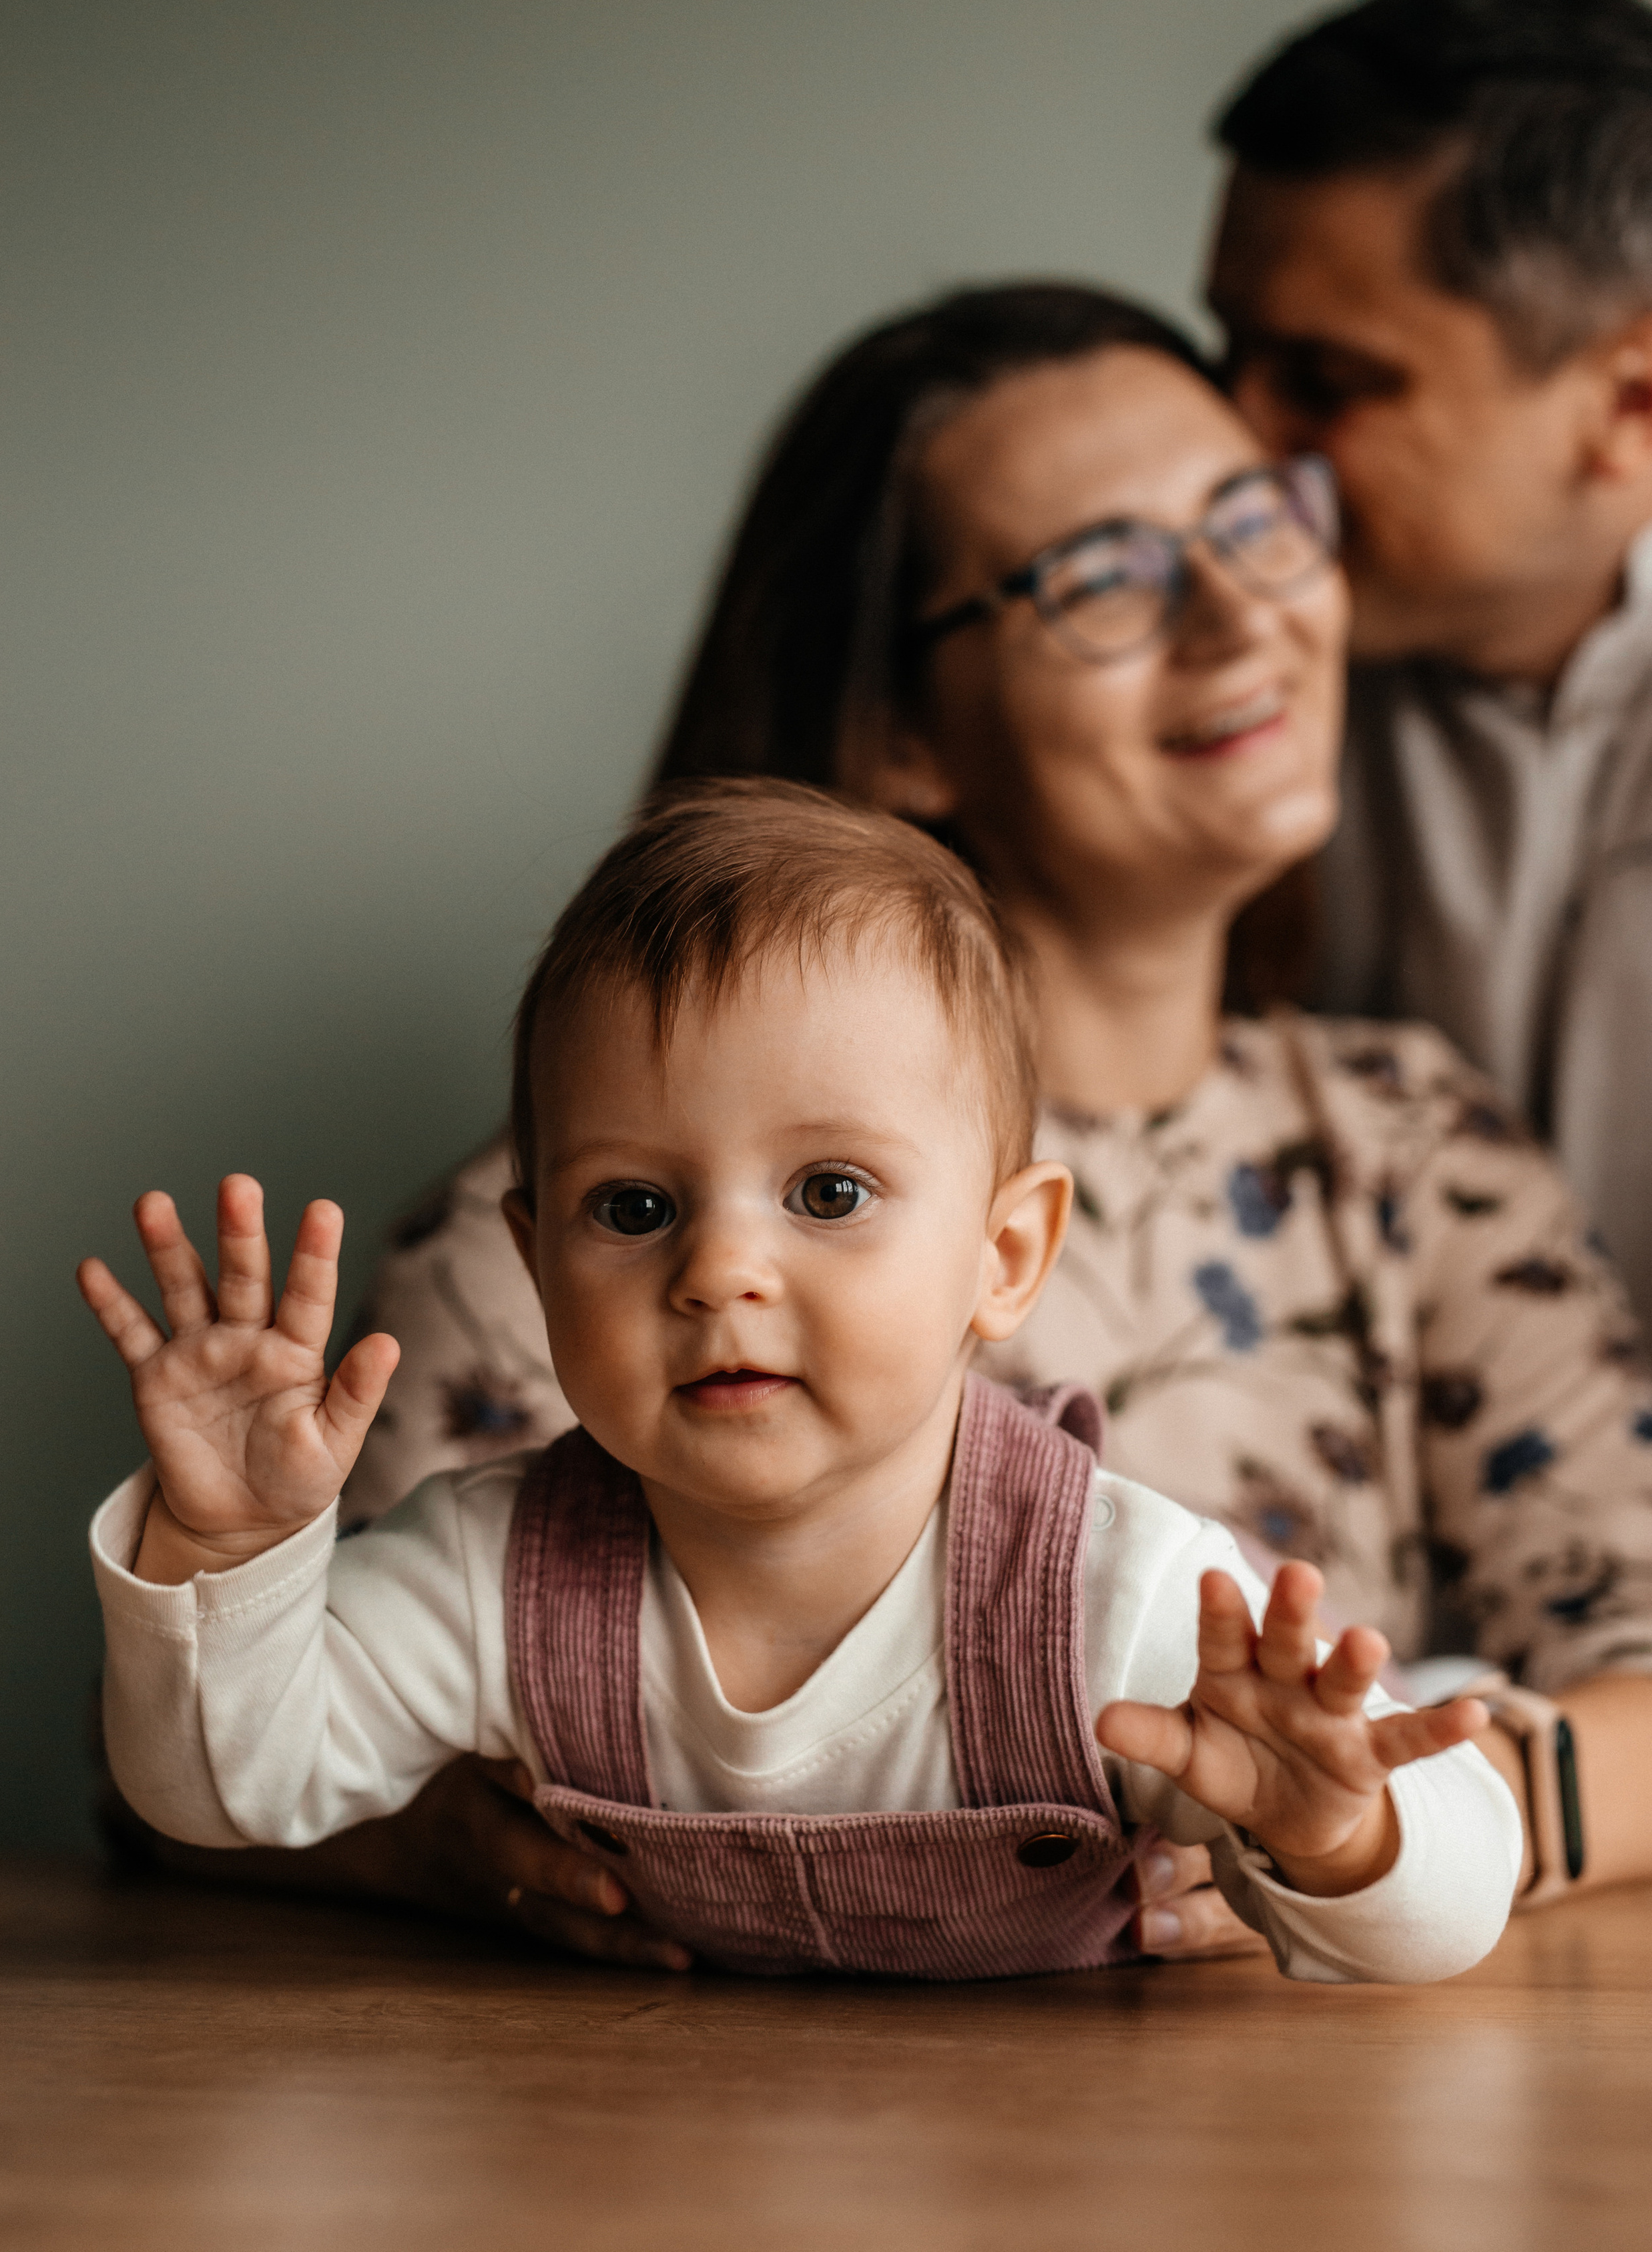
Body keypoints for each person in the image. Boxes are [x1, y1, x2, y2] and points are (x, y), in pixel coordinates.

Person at [320, 282, 1652, 1965]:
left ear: (1015, 1240)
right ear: (897, 727)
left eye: (1250, 520)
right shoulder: (547, 1249)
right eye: (1102, 577)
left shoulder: (1413, 1154)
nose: (1239, 615)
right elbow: (221, 1747)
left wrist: (1333, 1838)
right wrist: (427, 1849)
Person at [82, 785, 1520, 1985]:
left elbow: (1444, 1922)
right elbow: (223, 1795)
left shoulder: (1116, 1600)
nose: (718, 1272)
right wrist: (228, 1548)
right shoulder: (488, 1571)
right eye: (632, 1210)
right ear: (534, 1264)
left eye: (827, 1190)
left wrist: (1336, 1839)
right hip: (667, 2156)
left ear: (1002, 1253)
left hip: (1054, 2161)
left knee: (1415, 1707)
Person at [1205, 0, 1652, 1334]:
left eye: (1323, 384)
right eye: (1224, 356)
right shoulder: (1182, 700)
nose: (1231, 440)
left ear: (1627, 401)